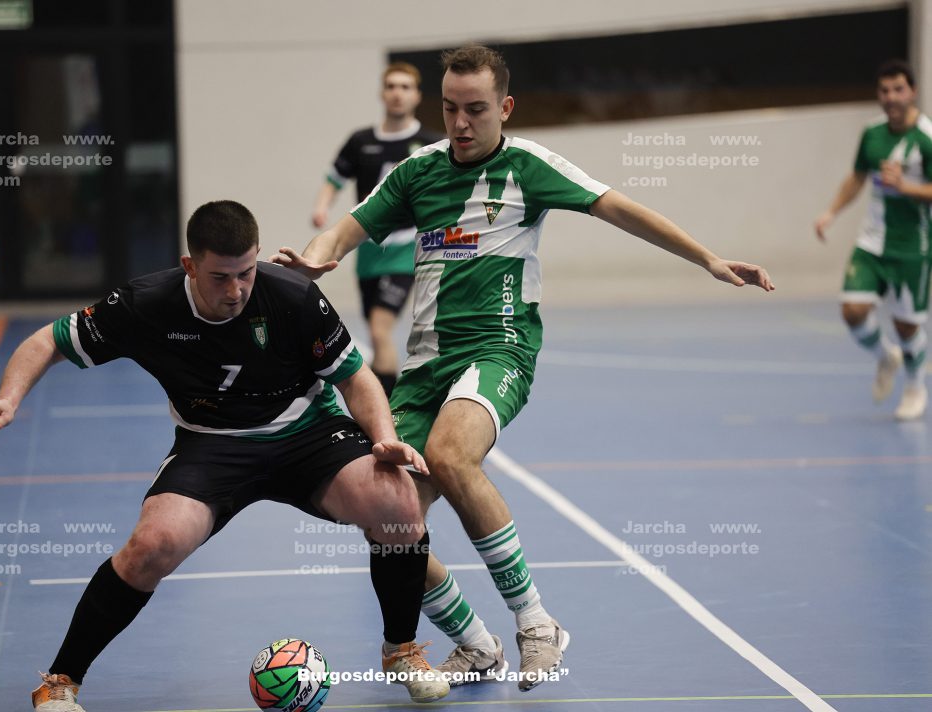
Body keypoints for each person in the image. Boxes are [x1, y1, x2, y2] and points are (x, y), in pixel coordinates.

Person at [273, 44, 775, 691]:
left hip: (499, 347)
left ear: (505, 107)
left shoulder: (528, 167)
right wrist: (315, 260)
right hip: (426, 365)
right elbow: (345, 231)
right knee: (389, 518)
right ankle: (476, 645)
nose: (460, 123)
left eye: (476, 109)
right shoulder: (418, 171)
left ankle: (537, 623)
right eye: (450, 108)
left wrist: (707, 257)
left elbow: (620, 207)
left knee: (451, 454)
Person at [0, 200, 450, 710]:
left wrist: (382, 437)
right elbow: (48, 341)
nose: (236, 289)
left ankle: (401, 650)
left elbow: (355, 377)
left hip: (307, 431)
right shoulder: (145, 304)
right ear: (190, 266)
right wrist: (9, 398)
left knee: (399, 504)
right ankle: (61, 680)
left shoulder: (293, 295)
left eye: (246, 272)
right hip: (211, 442)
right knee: (152, 544)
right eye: (220, 277)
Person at [310, 62, 443, 396]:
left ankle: (390, 409)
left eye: (405, 87)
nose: (397, 93)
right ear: (382, 93)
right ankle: (390, 400)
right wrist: (322, 207)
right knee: (374, 329)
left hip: (406, 248)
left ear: (417, 96)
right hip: (367, 249)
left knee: (381, 329)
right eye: (391, 86)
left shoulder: (430, 145)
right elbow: (334, 178)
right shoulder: (361, 141)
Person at [815, 59, 932, 420]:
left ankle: (915, 386)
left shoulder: (926, 138)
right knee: (852, 311)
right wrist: (831, 212)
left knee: (906, 326)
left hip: (912, 246)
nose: (891, 97)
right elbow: (857, 177)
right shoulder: (872, 133)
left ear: (912, 92)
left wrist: (905, 187)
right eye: (884, 90)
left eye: (898, 89)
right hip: (872, 241)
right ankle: (886, 356)